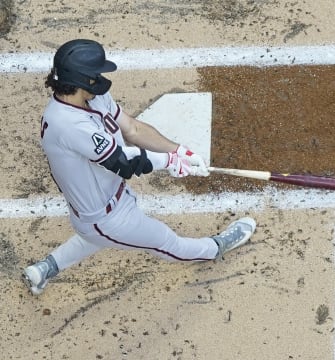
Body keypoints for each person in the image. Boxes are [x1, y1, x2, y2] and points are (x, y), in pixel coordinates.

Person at [22, 39, 256, 296]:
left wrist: (177, 150)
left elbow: (132, 129)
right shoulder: (68, 124)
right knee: (167, 243)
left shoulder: (89, 99)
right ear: (81, 79)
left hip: (104, 204)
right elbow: (124, 161)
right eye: (95, 74)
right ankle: (216, 246)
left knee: (92, 238)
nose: (100, 78)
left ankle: (46, 268)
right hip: (106, 218)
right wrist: (169, 163)